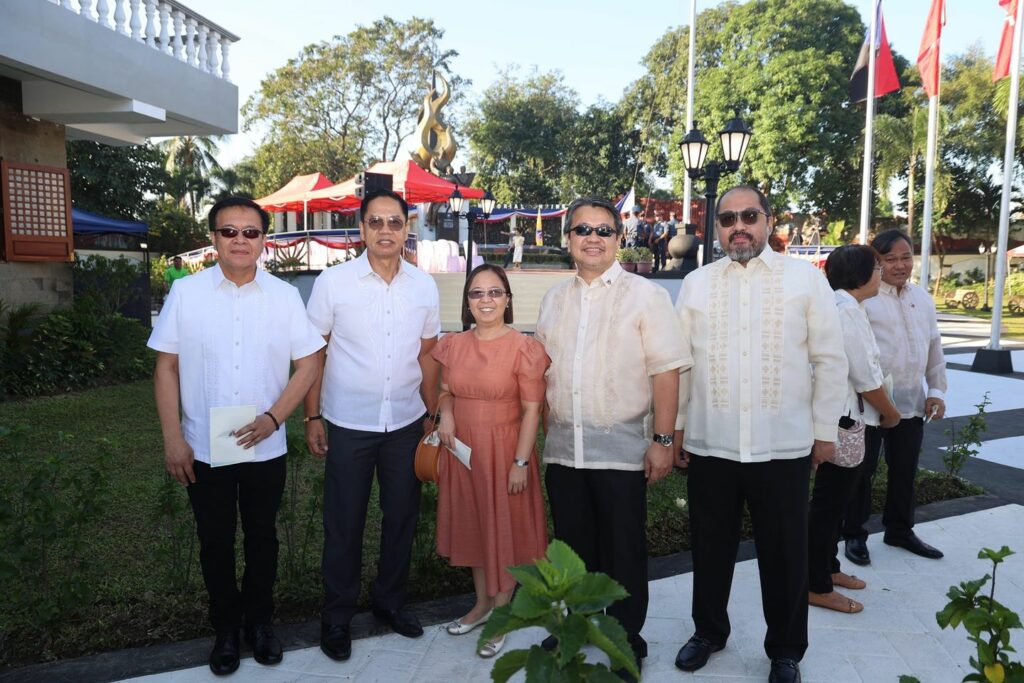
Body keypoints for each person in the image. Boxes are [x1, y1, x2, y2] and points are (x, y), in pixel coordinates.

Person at [673, 185, 847, 683]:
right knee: (710, 548)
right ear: (717, 228)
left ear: (769, 222)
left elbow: (830, 359)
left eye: (749, 216)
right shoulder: (697, 284)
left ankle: (786, 650)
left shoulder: (804, 280)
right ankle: (709, 631)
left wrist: (824, 431)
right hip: (712, 443)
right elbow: (680, 363)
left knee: (785, 554)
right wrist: (675, 428)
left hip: (782, 446)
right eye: (728, 219)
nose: (739, 227)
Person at [149, 197, 325, 676]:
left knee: (263, 539)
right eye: (230, 231)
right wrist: (172, 439)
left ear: (264, 240)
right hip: (203, 447)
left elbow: (309, 364)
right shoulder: (186, 293)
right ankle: (225, 630)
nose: (240, 240)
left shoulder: (284, 297)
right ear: (214, 238)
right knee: (215, 542)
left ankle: (260, 624)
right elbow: (166, 368)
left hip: (265, 446)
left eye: (251, 232)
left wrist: (274, 418)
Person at [536, 196, 691, 682]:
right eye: (583, 229)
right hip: (565, 450)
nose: (593, 238)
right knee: (573, 550)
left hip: (622, 450)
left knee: (623, 552)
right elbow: (544, 370)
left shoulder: (646, 296)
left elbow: (666, 372)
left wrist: (663, 439)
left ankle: (625, 640)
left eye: (604, 230)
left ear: (619, 239)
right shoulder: (553, 299)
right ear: (568, 239)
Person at [304, 189, 442, 662]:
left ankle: (390, 602)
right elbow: (314, 352)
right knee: (344, 522)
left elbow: (428, 355)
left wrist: (432, 414)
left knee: (401, 518)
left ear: (407, 229)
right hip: (348, 422)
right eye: (376, 222)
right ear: (362, 229)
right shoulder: (333, 283)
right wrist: (312, 415)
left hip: (405, 421)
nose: (386, 230)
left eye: (395, 222)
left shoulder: (424, 286)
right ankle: (337, 616)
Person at [433, 264, 549, 659]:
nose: (486, 300)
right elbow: (445, 390)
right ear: (467, 301)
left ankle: (502, 615)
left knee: (503, 530)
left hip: (505, 452)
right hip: (463, 453)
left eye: (495, 292)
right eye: (477, 293)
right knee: (475, 529)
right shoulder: (453, 344)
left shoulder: (524, 348)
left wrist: (520, 462)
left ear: (508, 299)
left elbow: (532, 410)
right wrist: (446, 415)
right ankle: (482, 605)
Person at [842, 229, 948, 565]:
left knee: (905, 470)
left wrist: (936, 391)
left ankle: (900, 530)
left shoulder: (923, 299)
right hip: (871, 406)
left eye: (906, 257)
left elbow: (934, 347)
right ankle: (854, 534)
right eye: (890, 259)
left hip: (911, 403)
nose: (900, 265)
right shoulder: (865, 299)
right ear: (877, 262)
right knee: (862, 472)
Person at [808, 245, 901, 616]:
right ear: (860, 275)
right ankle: (815, 583)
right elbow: (864, 377)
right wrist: (891, 413)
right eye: (877, 267)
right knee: (829, 506)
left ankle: (828, 569)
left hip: (850, 419)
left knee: (838, 503)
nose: (882, 273)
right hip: (844, 420)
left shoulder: (850, 307)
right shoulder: (844, 311)